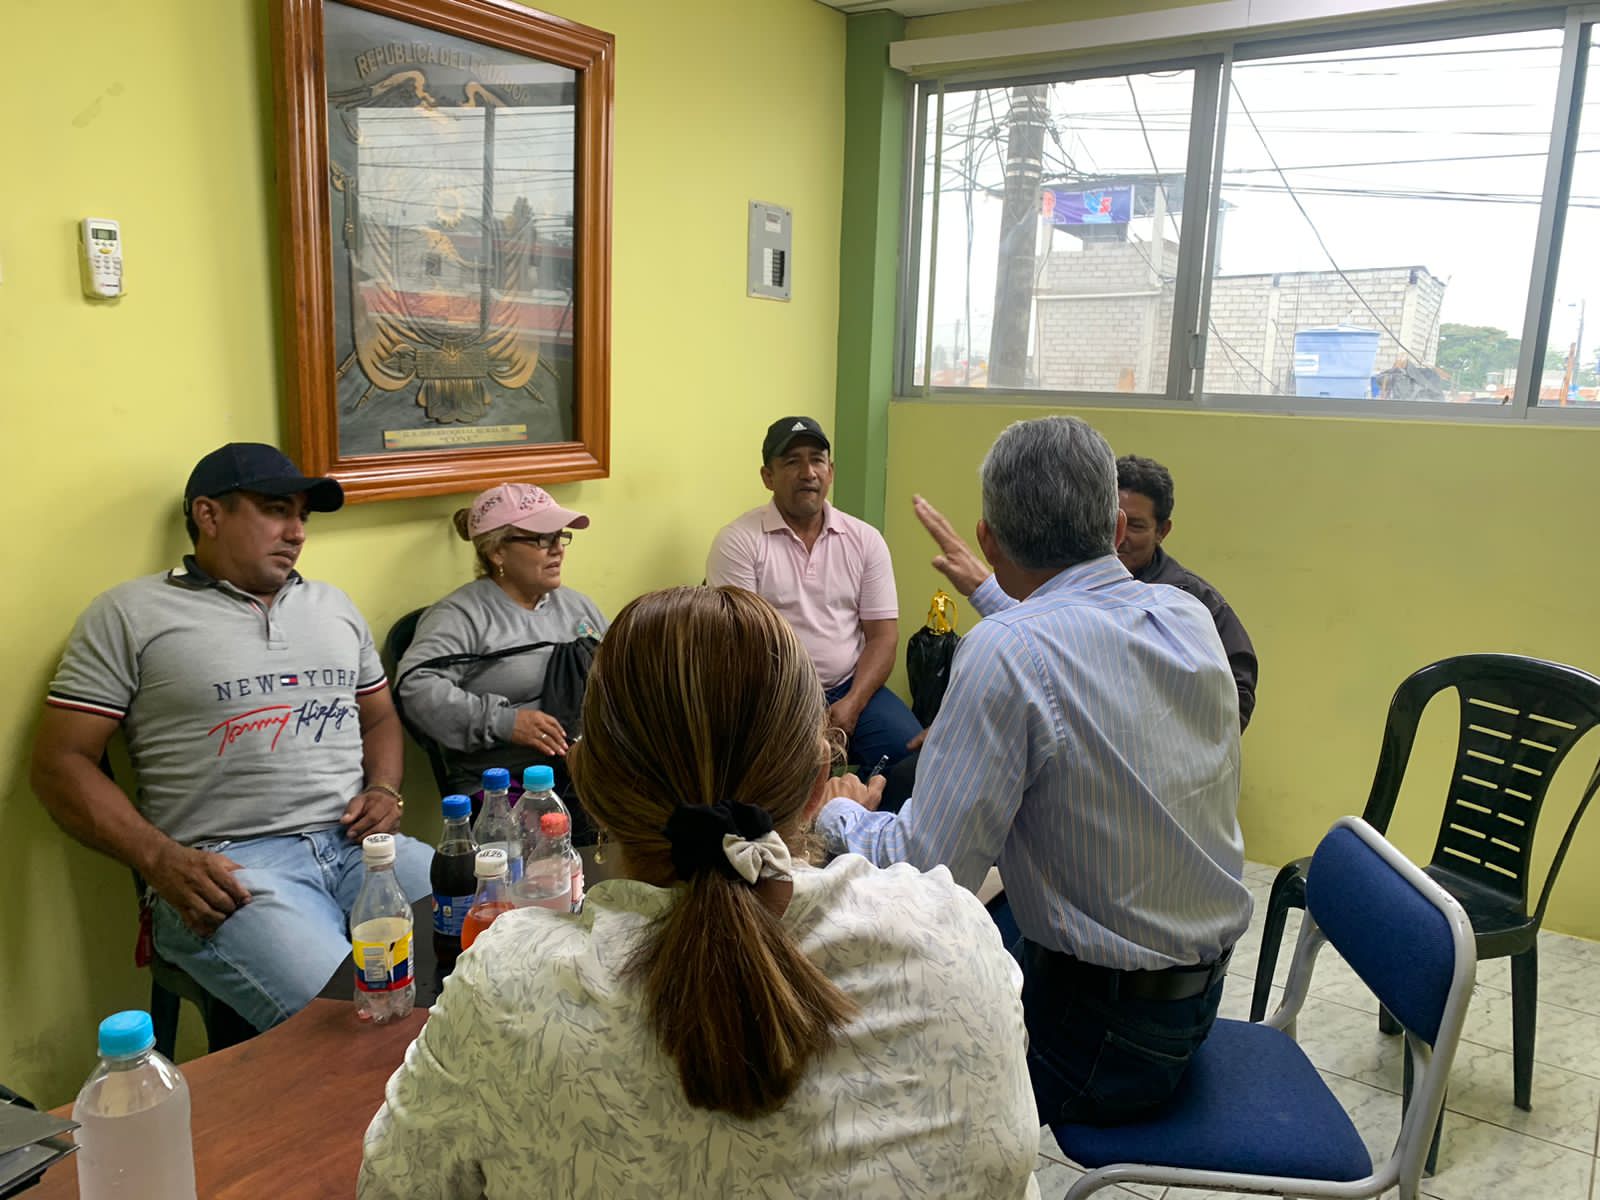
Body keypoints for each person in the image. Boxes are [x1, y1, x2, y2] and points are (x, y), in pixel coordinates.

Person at [359, 587, 1040, 1199]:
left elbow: (393, 1184)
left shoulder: (506, 985)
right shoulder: (954, 936)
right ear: (816, 787)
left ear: (590, 788)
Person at [819, 416, 1252, 1126]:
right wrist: (990, 596)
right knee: (994, 910)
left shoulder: (1004, 650)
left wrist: (837, 810)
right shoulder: (1185, 614)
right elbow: (1074, 635)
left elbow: (928, 867)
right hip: (1193, 998)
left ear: (989, 540)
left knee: (874, 1045)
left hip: (1103, 1044)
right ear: (1117, 526)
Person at [30, 443, 432, 1033]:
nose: (296, 532)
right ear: (209, 515)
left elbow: (378, 717)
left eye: (302, 517)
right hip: (231, 871)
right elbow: (60, 763)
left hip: (358, 848)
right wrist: (160, 861)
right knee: (355, 1023)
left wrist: (386, 789)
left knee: (500, 940)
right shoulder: (130, 614)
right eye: (275, 510)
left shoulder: (332, 606)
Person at [707, 416, 921, 773]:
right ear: (768, 477)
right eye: (792, 462)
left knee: (911, 757)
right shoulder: (739, 541)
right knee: (782, 773)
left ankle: (863, 811)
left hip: (849, 687)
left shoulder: (865, 540)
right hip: (773, 696)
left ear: (830, 471)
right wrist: (799, 713)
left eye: (817, 460)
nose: (808, 473)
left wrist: (853, 703)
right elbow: (742, 648)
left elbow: (883, 637)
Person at [394, 482, 606, 841]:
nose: (557, 549)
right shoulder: (462, 615)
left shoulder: (577, 607)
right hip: (504, 786)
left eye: (560, 537)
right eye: (541, 539)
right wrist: (505, 722)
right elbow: (416, 688)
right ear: (497, 552)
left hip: (586, 773)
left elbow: (621, 673)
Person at [1116, 454, 1259, 731]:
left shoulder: (1198, 600)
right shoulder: (1064, 585)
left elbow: (1238, 692)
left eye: (1136, 526)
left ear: (1162, 531)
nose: (1120, 536)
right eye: (1112, 521)